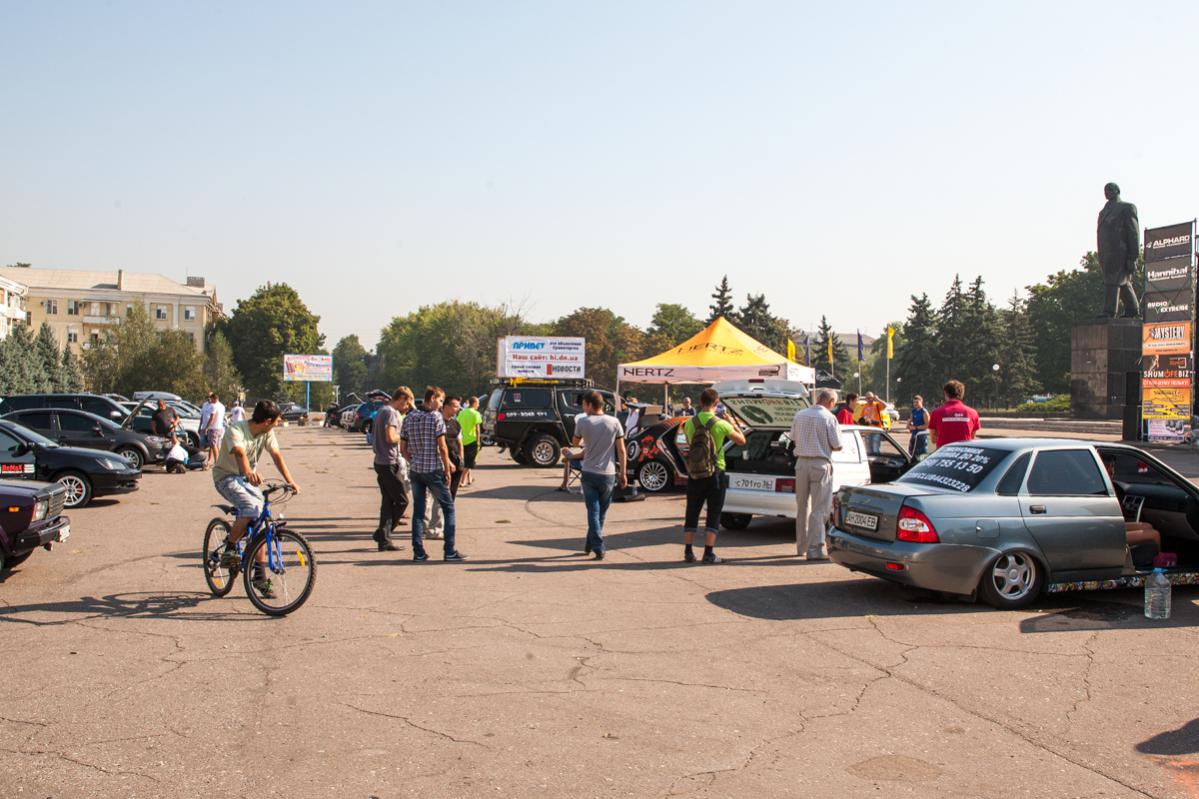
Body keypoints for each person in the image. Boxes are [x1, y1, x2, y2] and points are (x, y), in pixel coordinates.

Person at [215, 400, 301, 597]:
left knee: (262, 522)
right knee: (252, 507)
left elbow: (277, 455)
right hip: (226, 477)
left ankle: (259, 576)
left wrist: (290, 481)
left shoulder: (266, 432)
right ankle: (229, 548)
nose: (278, 424)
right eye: (277, 421)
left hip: (248, 480)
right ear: (267, 421)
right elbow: (239, 452)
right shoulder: (236, 429)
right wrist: (248, 472)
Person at [681, 388, 746, 564]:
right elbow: (742, 440)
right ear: (716, 403)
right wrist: (732, 423)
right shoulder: (721, 424)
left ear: (700, 402)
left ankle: (688, 552)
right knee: (714, 512)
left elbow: (690, 443)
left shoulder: (689, 423)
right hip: (715, 472)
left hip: (695, 473)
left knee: (692, 511)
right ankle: (708, 553)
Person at [401, 386, 466, 562]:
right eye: (440, 400)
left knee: (418, 511)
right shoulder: (435, 417)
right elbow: (442, 447)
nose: (441, 404)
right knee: (448, 507)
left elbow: (403, 447)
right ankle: (449, 550)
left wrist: (411, 460)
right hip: (433, 470)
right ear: (432, 398)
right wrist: (447, 469)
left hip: (416, 470)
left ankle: (418, 552)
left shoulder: (410, 417)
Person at [568, 390, 627, 560]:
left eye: (583, 404)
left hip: (589, 472)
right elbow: (621, 450)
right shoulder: (614, 422)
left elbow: (575, 442)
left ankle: (597, 546)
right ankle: (592, 544)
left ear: (590, 405)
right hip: (608, 473)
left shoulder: (582, 421)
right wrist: (623, 473)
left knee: (593, 511)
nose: (582, 408)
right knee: (600, 513)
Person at [789, 388, 842, 560]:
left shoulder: (800, 415)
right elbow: (837, 445)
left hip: (801, 463)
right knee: (820, 508)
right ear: (831, 402)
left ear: (818, 398)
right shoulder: (829, 418)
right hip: (820, 463)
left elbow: (793, 438)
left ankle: (801, 547)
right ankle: (815, 549)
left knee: (802, 506)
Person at [371, 386, 413, 553]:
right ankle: (383, 534)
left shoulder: (382, 410)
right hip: (388, 462)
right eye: (407, 404)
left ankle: (384, 539)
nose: (407, 408)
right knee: (402, 500)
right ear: (401, 398)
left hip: (381, 461)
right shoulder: (391, 413)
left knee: (388, 502)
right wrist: (403, 436)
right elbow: (390, 436)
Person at [426, 396, 465, 540]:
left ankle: (443, 525)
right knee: (440, 497)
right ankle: (435, 528)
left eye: (458, 406)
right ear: (446, 407)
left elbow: (459, 442)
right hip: (441, 464)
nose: (457, 409)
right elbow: (439, 446)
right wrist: (447, 462)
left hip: (456, 464)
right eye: (454, 406)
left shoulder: (456, 423)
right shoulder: (437, 422)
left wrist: (461, 459)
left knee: (450, 497)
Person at [928, 380, 981, 448]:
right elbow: (971, 438)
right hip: (964, 452)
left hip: (944, 452)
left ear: (946, 393)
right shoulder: (973, 413)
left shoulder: (936, 413)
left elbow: (933, 440)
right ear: (962, 394)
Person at [457, 396, 484, 488]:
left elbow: (457, 425)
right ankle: (462, 480)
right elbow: (477, 429)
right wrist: (478, 441)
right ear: (475, 403)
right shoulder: (476, 414)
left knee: (466, 459)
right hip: (472, 440)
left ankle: (469, 478)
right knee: (469, 462)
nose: (478, 405)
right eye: (478, 403)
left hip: (462, 440)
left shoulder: (461, 413)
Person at [201, 392, 226, 469]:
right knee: (215, 445)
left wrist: (207, 427)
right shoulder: (217, 405)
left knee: (213, 445)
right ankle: (215, 462)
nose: (209, 399)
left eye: (211, 397)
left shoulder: (215, 406)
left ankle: (217, 463)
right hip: (217, 428)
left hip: (214, 428)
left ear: (215, 398)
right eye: (208, 397)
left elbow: (213, 418)